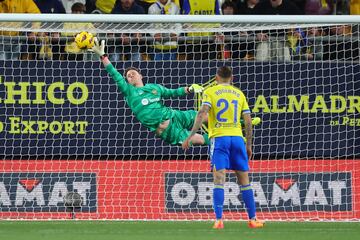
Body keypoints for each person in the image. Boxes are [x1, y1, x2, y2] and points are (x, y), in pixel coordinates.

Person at [182, 66, 264, 229]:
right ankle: (253, 219)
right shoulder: (239, 93)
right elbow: (248, 121)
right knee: (245, 181)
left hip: (220, 138)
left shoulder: (210, 92)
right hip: (237, 139)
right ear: (231, 78)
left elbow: (201, 113)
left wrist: (190, 136)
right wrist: (248, 144)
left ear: (216, 77)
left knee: (219, 180)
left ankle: (219, 220)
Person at [90, 38, 210, 146]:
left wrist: (189, 89)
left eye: (133, 73)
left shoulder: (154, 88)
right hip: (169, 131)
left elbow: (172, 93)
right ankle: (221, 140)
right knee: (200, 140)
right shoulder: (129, 92)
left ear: (140, 76)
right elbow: (114, 74)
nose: (130, 75)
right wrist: (103, 57)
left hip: (174, 116)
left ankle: (226, 125)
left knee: (204, 116)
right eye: (128, 76)